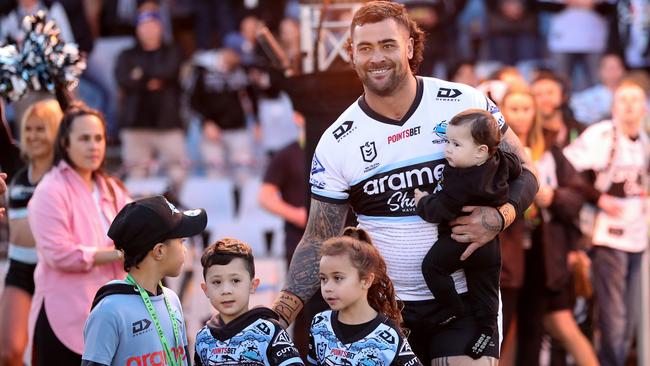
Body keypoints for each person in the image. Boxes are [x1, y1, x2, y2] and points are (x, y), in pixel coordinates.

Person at [271, 2, 538, 364]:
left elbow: (526, 171)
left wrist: (500, 217)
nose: (376, 57)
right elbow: (318, 236)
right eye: (364, 48)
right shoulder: (337, 140)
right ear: (351, 55)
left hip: (463, 301)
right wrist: (278, 316)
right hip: (383, 310)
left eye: (388, 44)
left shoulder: (464, 101)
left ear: (410, 47)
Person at [413, 109, 521, 359]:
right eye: (447, 142)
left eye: (456, 144)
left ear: (481, 151)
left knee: (432, 268)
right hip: (489, 244)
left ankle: (454, 310)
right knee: (485, 287)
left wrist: (422, 201)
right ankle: (485, 328)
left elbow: (441, 209)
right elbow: (516, 169)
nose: (447, 150)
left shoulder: (462, 180)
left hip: (460, 240)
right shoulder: (501, 161)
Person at [27, 103, 130, 365]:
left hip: (112, 317)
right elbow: (59, 254)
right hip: (63, 320)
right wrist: (118, 254)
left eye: (99, 138)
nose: (93, 146)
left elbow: (135, 232)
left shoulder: (113, 188)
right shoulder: (50, 189)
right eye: (84, 139)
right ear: (65, 143)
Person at [563, 79, 649, 366]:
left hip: (638, 236)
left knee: (631, 313)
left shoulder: (645, 141)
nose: (629, 106)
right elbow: (570, 169)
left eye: (635, 99)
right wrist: (598, 199)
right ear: (613, 105)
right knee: (614, 314)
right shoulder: (602, 134)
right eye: (623, 99)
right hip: (608, 236)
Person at [81, 195, 208, 366]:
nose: (185, 250)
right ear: (159, 251)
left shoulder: (171, 300)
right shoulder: (109, 310)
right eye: (181, 241)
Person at [0, 100, 62, 366]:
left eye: (42, 129)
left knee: (47, 354)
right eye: (29, 129)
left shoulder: (68, 170)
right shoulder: (16, 163)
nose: (34, 136)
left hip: (58, 271)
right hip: (21, 267)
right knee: (8, 351)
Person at [308, 227, 422, 366]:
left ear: (366, 280)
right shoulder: (320, 324)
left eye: (338, 278)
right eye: (323, 279)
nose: (328, 288)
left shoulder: (388, 336)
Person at [194, 238, 304, 366]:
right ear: (205, 289)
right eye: (217, 282)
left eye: (235, 281)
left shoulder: (269, 331)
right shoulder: (203, 338)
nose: (226, 290)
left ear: (253, 285)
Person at [114, 9, 187, 186]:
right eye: (144, 26)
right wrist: (150, 81)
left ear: (160, 28)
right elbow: (123, 79)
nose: (148, 30)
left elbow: (169, 72)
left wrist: (140, 76)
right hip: (136, 123)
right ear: (138, 29)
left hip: (167, 122)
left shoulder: (173, 51)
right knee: (136, 175)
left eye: (152, 25)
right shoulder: (127, 55)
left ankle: (175, 212)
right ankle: (140, 214)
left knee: (177, 173)